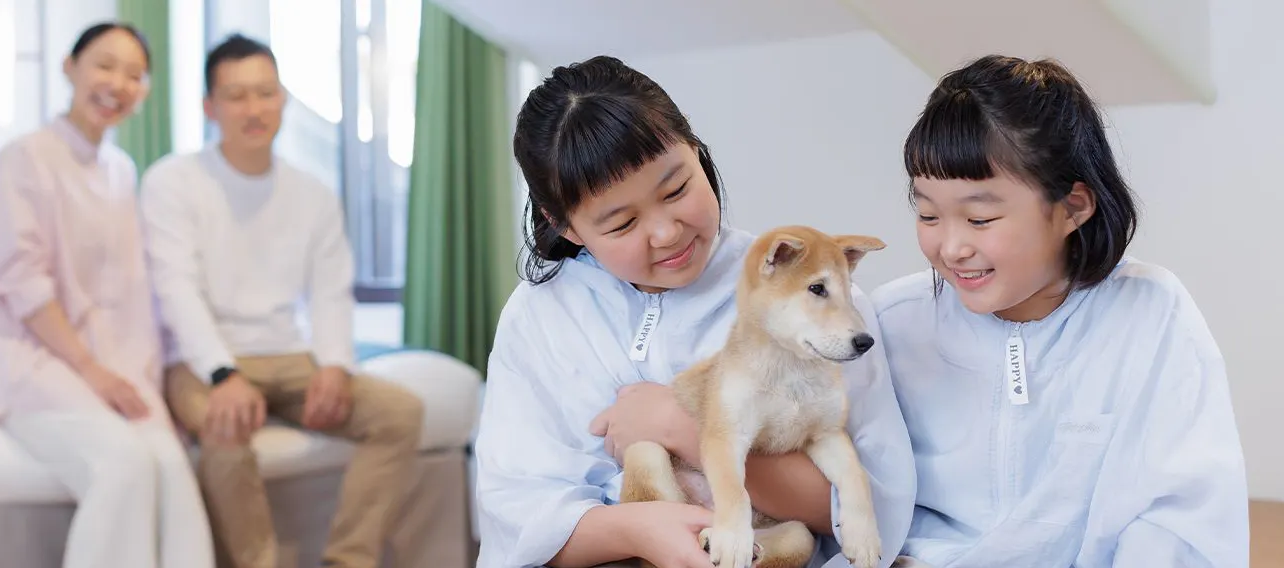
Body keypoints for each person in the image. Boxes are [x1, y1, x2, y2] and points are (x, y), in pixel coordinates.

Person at [473, 55, 916, 568]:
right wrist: (638, 531)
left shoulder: (807, 293)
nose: (666, 233)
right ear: (565, 226)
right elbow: (517, 513)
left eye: (677, 189)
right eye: (621, 224)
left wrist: (680, 424)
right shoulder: (541, 315)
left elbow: (869, 510)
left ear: (697, 153)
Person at [871, 55, 1250, 567]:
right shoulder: (893, 320)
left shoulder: (1148, 313)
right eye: (929, 214)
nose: (951, 247)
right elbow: (856, 501)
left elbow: (1181, 517)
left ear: (1073, 207)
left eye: (981, 218)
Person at [138, 33, 426, 568]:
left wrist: (336, 366)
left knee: (400, 412)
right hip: (203, 362)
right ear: (210, 107)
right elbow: (175, 289)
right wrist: (223, 375)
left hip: (287, 355)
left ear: (284, 98)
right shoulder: (172, 182)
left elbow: (329, 292)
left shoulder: (312, 192)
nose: (254, 108)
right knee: (225, 432)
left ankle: (349, 559)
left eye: (265, 93)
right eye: (237, 95)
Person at [0, 21, 215, 568]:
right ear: (70, 68)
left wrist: (148, 384)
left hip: (103, 366)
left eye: (135, 74)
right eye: (105, 65)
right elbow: (24, 285)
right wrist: (92, 371)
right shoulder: (24, 159)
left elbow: (131, 297)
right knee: (124, 464)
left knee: (169, 462)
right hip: (28, 363)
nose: (118, 83)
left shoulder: (120, 170)